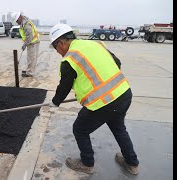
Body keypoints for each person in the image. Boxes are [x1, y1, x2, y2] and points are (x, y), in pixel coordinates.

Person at [48, 23, 139, 175]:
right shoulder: (94, 43)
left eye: (56, 48)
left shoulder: (69, 59)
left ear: (61, 43)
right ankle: (132, 163)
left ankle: (87, 163)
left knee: (80, 129)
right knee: (118, 127)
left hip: (104, 102)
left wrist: (54, 103)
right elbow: (117, 63)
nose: (58, 52)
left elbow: (64, 86)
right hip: (124, 93)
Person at [12, 12, 40, 77]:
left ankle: (30, 72)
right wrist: (26, 43)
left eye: (17, 20)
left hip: (33, 42)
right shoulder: (24, 22)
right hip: (33, 42)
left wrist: (25, 44)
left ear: (19, 17)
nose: (17, 22)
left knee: (31, 58)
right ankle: (30, 70)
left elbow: (29, 36)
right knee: (31, 58)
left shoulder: (26, 25)